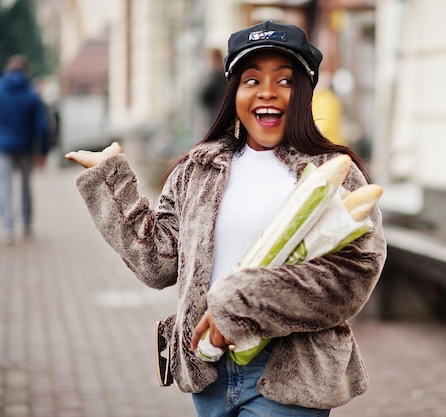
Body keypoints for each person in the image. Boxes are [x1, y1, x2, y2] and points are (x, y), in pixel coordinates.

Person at [65, 20, 387, 417]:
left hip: (291, 375)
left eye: (284, 81)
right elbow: (159, 262)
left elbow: (352, 275)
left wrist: (238, 304)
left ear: (304, 92)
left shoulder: (332, 173)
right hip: (209, 374)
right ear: (233, 91)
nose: (267, 92)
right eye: (251, 80)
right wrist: (111, 179)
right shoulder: (198, 169)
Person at [0, 55, 51, 244]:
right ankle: (27, 222)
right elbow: (43, 127)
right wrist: (44, 151)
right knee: (25, 185)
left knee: (4, 185)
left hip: (3, 147)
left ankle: (7, 226)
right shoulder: (31, 95)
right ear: (25, 71)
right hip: (26, 147)